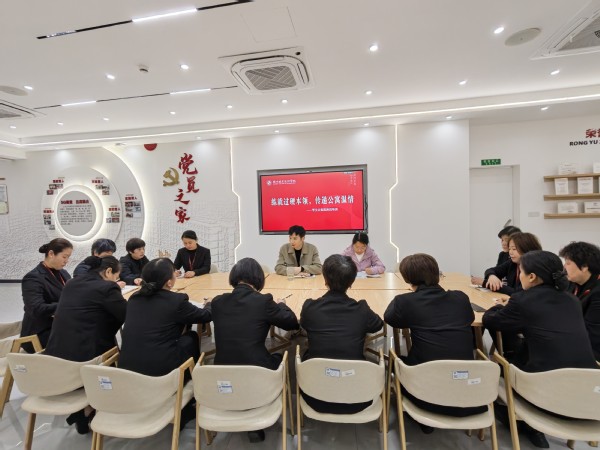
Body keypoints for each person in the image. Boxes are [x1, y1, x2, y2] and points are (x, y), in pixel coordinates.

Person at [483, 250, 597, 448]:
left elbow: (490, 321)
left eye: (521, 272)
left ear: (532, 277)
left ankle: (520, 421)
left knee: (497, 363)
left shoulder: (523, 300)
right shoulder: (572, 300)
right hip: (587, 396)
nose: (519, 275)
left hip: (544, 395)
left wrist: (498, 308)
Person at [384, 253, 486, 425]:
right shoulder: (460, 298)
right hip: (467, 395)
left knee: (394, 360)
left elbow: (390, 318)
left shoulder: (406, 301)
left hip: (424, 396)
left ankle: (423, 422)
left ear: (407, 279)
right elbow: (469, 319)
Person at [45, 255, 126, 434]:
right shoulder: (107, 287)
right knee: (120, 350)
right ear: (108, 272)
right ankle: (94, 407)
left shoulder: (72, 283)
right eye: (116, 276)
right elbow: (126, 314)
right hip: (87, 357)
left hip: (56, 353)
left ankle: (84, 411)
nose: (116, 280)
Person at [300, 254, 383, 414]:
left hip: (314, 397)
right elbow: (378, 324)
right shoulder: (361, 309)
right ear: (351, 283)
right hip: (358, 398)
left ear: (325, 279)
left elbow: (304, 325)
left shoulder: (310, 307)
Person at [119, 258, 211, 377]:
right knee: (191, 336)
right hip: (162, 373)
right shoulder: (177, 301)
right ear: (169, 282)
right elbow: (206, 316)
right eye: (174, 273)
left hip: (127, 369)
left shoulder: (134, 298)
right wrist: (209, 304)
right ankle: (193, 375)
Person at [211, 257, 299, 369]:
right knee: (278, 356)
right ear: (259, 277)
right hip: (257, 369)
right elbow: (291, 323)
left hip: (221, 369)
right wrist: (282, 304)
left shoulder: (217, 302)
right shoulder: (263, 301)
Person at [21, 238, 73, 350]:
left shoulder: (64, 274)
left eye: (68, 257)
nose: (66, 261)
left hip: (59, 326)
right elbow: (36, 308)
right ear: (51, 254)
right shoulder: (33, 278)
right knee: (82, 338)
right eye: (64, 257)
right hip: (38, 334)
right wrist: (67, 306)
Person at [559, 241, 600, 360]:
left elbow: (592, 334)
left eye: (568, 263)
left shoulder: (597, 293)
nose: (564, 267)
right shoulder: (573, 283)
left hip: (591, 350)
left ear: (584, 266)